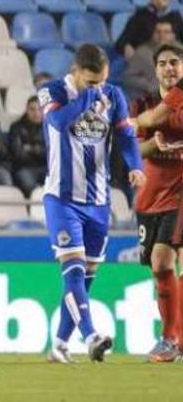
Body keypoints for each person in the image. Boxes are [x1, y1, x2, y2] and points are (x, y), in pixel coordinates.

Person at [38, 44, 144, 364]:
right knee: (72, 270)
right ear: (75, 71)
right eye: (91, 81)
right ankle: (91, 336)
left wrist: (136, 164)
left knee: (86, 278)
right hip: (62, 198)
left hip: (98, 201)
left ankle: (58, 344)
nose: (98, 87)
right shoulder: (52, 90)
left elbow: (125, 135)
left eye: (102, 81)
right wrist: (86, 98)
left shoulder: (114, 95)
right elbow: (58, 122)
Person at [129, 42, 183, 363]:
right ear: (155, 68)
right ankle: (174, 337)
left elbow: (150, 120)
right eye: (163, 63)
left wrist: (148, 128)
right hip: (151, 199)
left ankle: (169, 339)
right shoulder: (141, 103)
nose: (169, 68)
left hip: (181, 194)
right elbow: (134, 151)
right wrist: (154, 142)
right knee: (160, 269)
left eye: (175, 62)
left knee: (165, 260)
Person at [115, 0, 183, 60]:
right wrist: (126, 46)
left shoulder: (175, 17)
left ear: (169, 0)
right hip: (146, 55)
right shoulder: (140, 16)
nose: (160, 1)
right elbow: (122, 40)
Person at [123, 20, 177, 101]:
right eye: (158, 32)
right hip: (153, 98)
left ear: (173, 36)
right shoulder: (142, 53)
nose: (162, 35)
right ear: (152, 34)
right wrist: (148, 85)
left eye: (166, 32)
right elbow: (128, 78)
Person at [8, 96, 46, 195]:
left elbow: (53, 154)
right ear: (26, 110)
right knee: (28, 184)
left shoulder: (49, 127)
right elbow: (18, 155)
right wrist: (39, 150)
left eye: (39, 109)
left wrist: (31, 149)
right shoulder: (16, 128)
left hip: (45, 167)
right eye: (32, 109)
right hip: (24, 168)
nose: (36, 113)